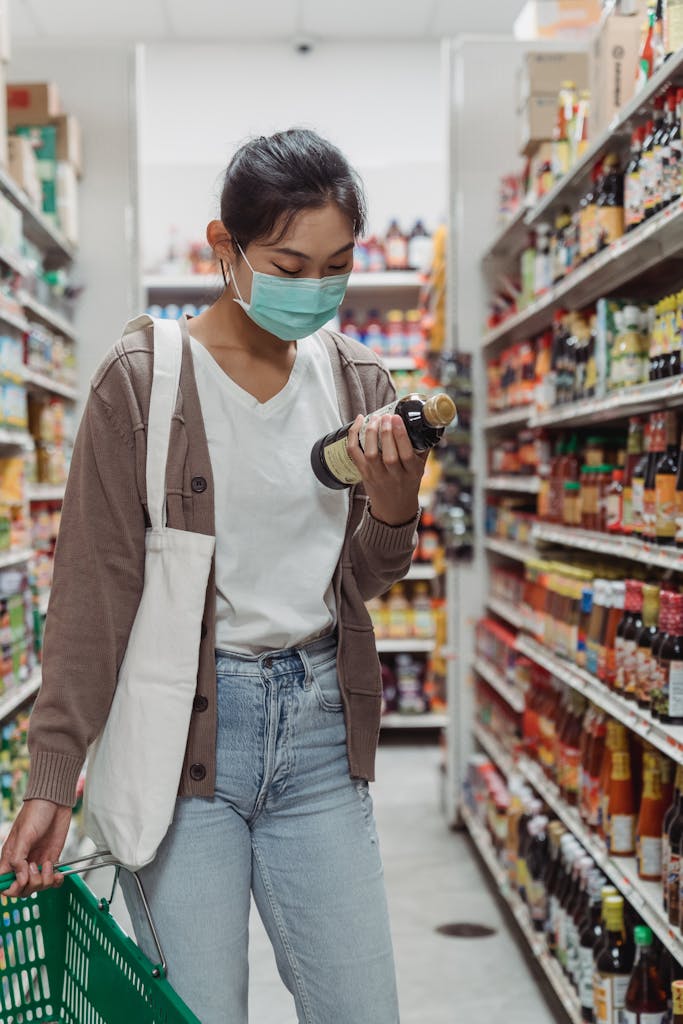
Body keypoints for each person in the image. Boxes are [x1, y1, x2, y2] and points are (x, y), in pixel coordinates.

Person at [0, 128, 427, 1023]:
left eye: (337, 264)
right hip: (183, 745)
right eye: (288, 261)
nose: (315, 287)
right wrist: (51, 774)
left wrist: (394, 509)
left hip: (316, 731)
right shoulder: (142, 380)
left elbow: (366, 579)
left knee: (363, 1008)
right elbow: (94, 588)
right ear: (222, 248)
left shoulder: (357, 381)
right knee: (191, 1012)